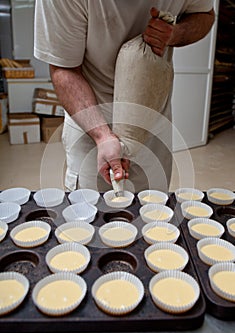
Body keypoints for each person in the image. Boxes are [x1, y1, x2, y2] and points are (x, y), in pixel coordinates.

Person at [34, 0, 215, 192]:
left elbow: (204, 15)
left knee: (152, 209)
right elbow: (64, 70)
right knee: (92, 211)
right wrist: (102, 136)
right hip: (92, 118)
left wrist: (176, 34)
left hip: (152, 118)